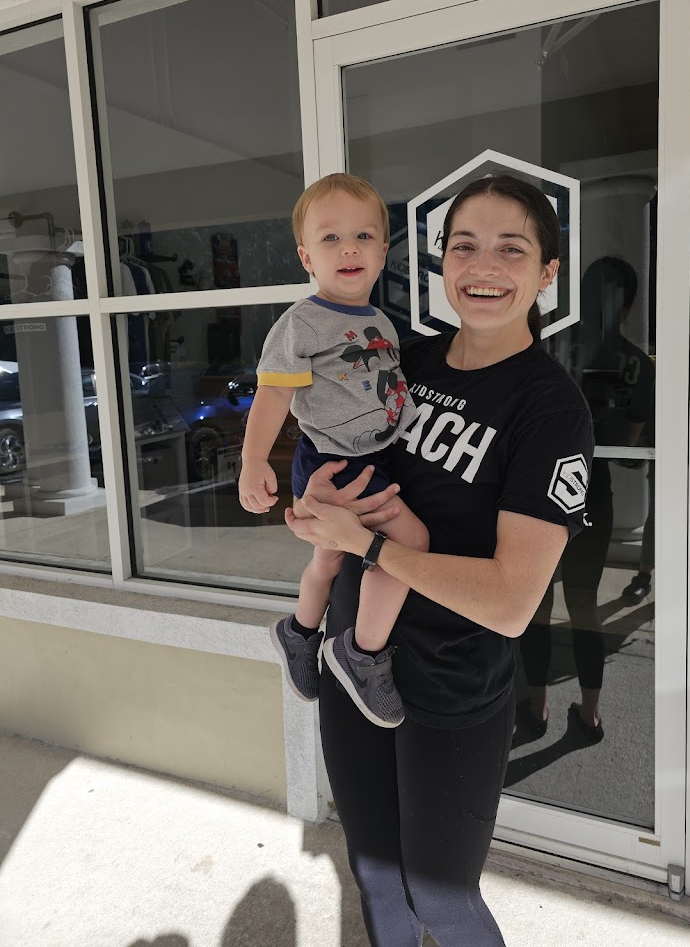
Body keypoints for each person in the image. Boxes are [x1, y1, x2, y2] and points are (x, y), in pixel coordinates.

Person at [284, 174, 594, 947]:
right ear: (441, 261)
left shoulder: (549, 407)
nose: (483, 267)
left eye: (511, 249)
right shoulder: (400, 360)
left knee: (440, 899)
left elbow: (512, 602)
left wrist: (370, 544)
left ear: (547, 273)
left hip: (451, 686)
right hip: (354, 660)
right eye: (464, 246)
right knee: (376, 874)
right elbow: (327, 449)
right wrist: (315, 501)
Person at [239, 174, 428, 729]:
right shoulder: (302, 323)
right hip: (335, 462)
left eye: (363, 236)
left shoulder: (379, 321)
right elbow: (273, 395)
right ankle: (362, 653)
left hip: (372, 457)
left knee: (329, 557)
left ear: (383, 252)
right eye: (331, 238)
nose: (349, 249)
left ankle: (299, 632)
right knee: (412, 543)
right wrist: (253, 461)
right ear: (306, 257)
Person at [517, 255, 654, 744]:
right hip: (592, 492)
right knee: (584, 604)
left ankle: (536, 707)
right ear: (629, 304)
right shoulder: (637, 363)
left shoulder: (549, 345)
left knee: (536, 602)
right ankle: (590, 715)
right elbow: (632, 453)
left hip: (536, 490)